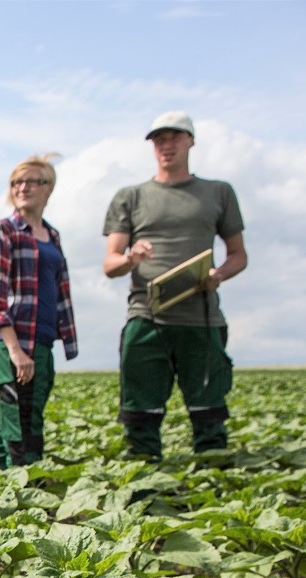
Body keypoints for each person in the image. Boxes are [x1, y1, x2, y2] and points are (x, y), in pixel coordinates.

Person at [102, 110, 248, 460]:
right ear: (152, 146)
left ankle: (214, 487)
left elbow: (238, 255)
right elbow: (110, 263)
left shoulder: (218, 192)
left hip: (201, 317)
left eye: (174, 137)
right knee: (140, 414)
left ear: (190, 141)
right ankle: (145, 483)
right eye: (159, 139)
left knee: (209, 411)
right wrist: (131, 258)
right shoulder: (131, 196)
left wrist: (218, 275)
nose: (166, 145)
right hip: (146, 315)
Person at [0, 154, 79, 472]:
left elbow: (61, 290)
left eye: (32, 181)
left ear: (48, 188)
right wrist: (15, 350)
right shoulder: (5, 230)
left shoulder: (52, 236)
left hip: (42, 343)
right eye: (16, 182)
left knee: (20, 423)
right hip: (15, 344)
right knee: (20, 431)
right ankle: (18, 495)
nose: (23, 188)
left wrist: (66, 340)